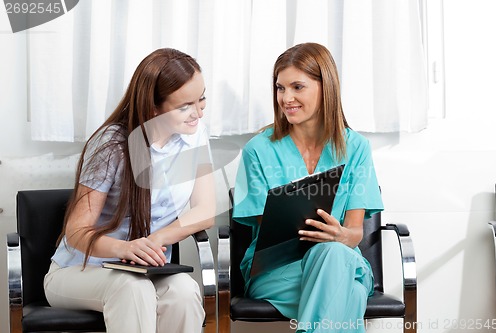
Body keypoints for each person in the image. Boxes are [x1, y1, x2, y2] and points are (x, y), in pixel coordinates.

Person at [43, 48, 215, 333]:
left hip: (144, 271)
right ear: (153, 108)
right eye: (185, 105)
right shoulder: (111, 145)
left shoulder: (194, 135)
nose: (198, 112)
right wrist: (126, 248)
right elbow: (76, 231)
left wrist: (153, 241)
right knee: (131, 287)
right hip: (79, 272)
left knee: (184, 290)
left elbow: (205, 211)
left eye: (202, 98)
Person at [232, 42, 384, 333]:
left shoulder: (356, 148)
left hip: (339, 258)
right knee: (348, 291)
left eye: (297, 87)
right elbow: (272, 242)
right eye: (280, 88)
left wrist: (339, 235)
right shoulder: (258, 150)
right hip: (278, 272)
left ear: (325, 87)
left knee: (333, 254)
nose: (286, 98)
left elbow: (354, 233)